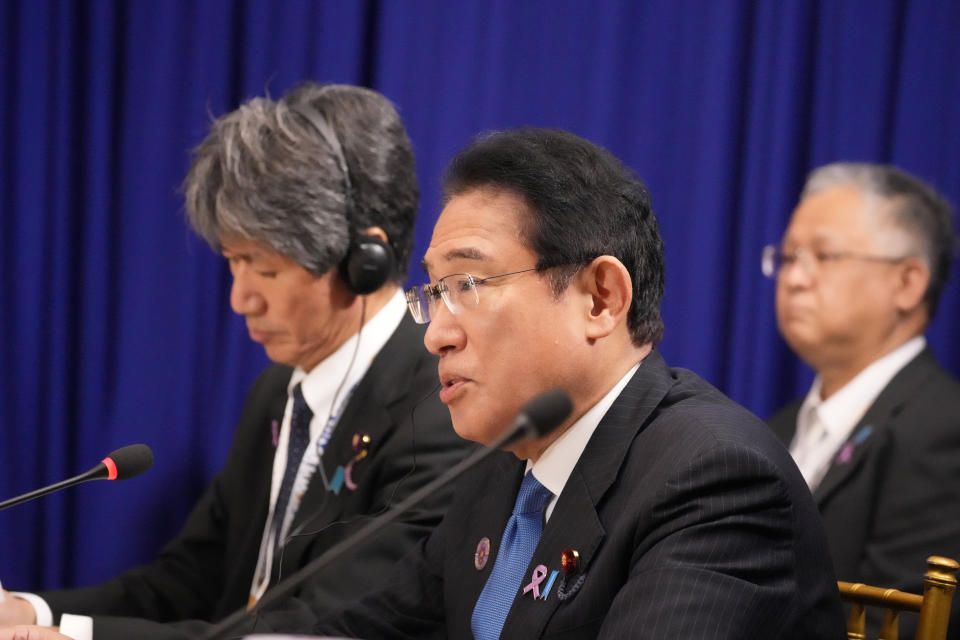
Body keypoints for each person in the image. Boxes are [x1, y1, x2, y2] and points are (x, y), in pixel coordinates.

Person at [304, 128, 846, 638]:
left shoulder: (716, 479)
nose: (436, 335)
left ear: (600, 298)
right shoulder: (503, 465)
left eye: (466, 283)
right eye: (433, 293)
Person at [0, 83, 470, 639]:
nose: (240, 299)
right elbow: (189, 578)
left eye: (263, 268)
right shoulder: (276, 393)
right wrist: (34, 613)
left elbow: (313, 629)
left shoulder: (438, 411)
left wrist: (78, 638)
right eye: (233, 262)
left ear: (361, 260)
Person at [764, 162, 960, 638]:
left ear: (908, 283)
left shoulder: (943, 429)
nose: (794, 278)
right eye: (789, 257)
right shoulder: (776, 429)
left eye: (824, 256)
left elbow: (896, 625)